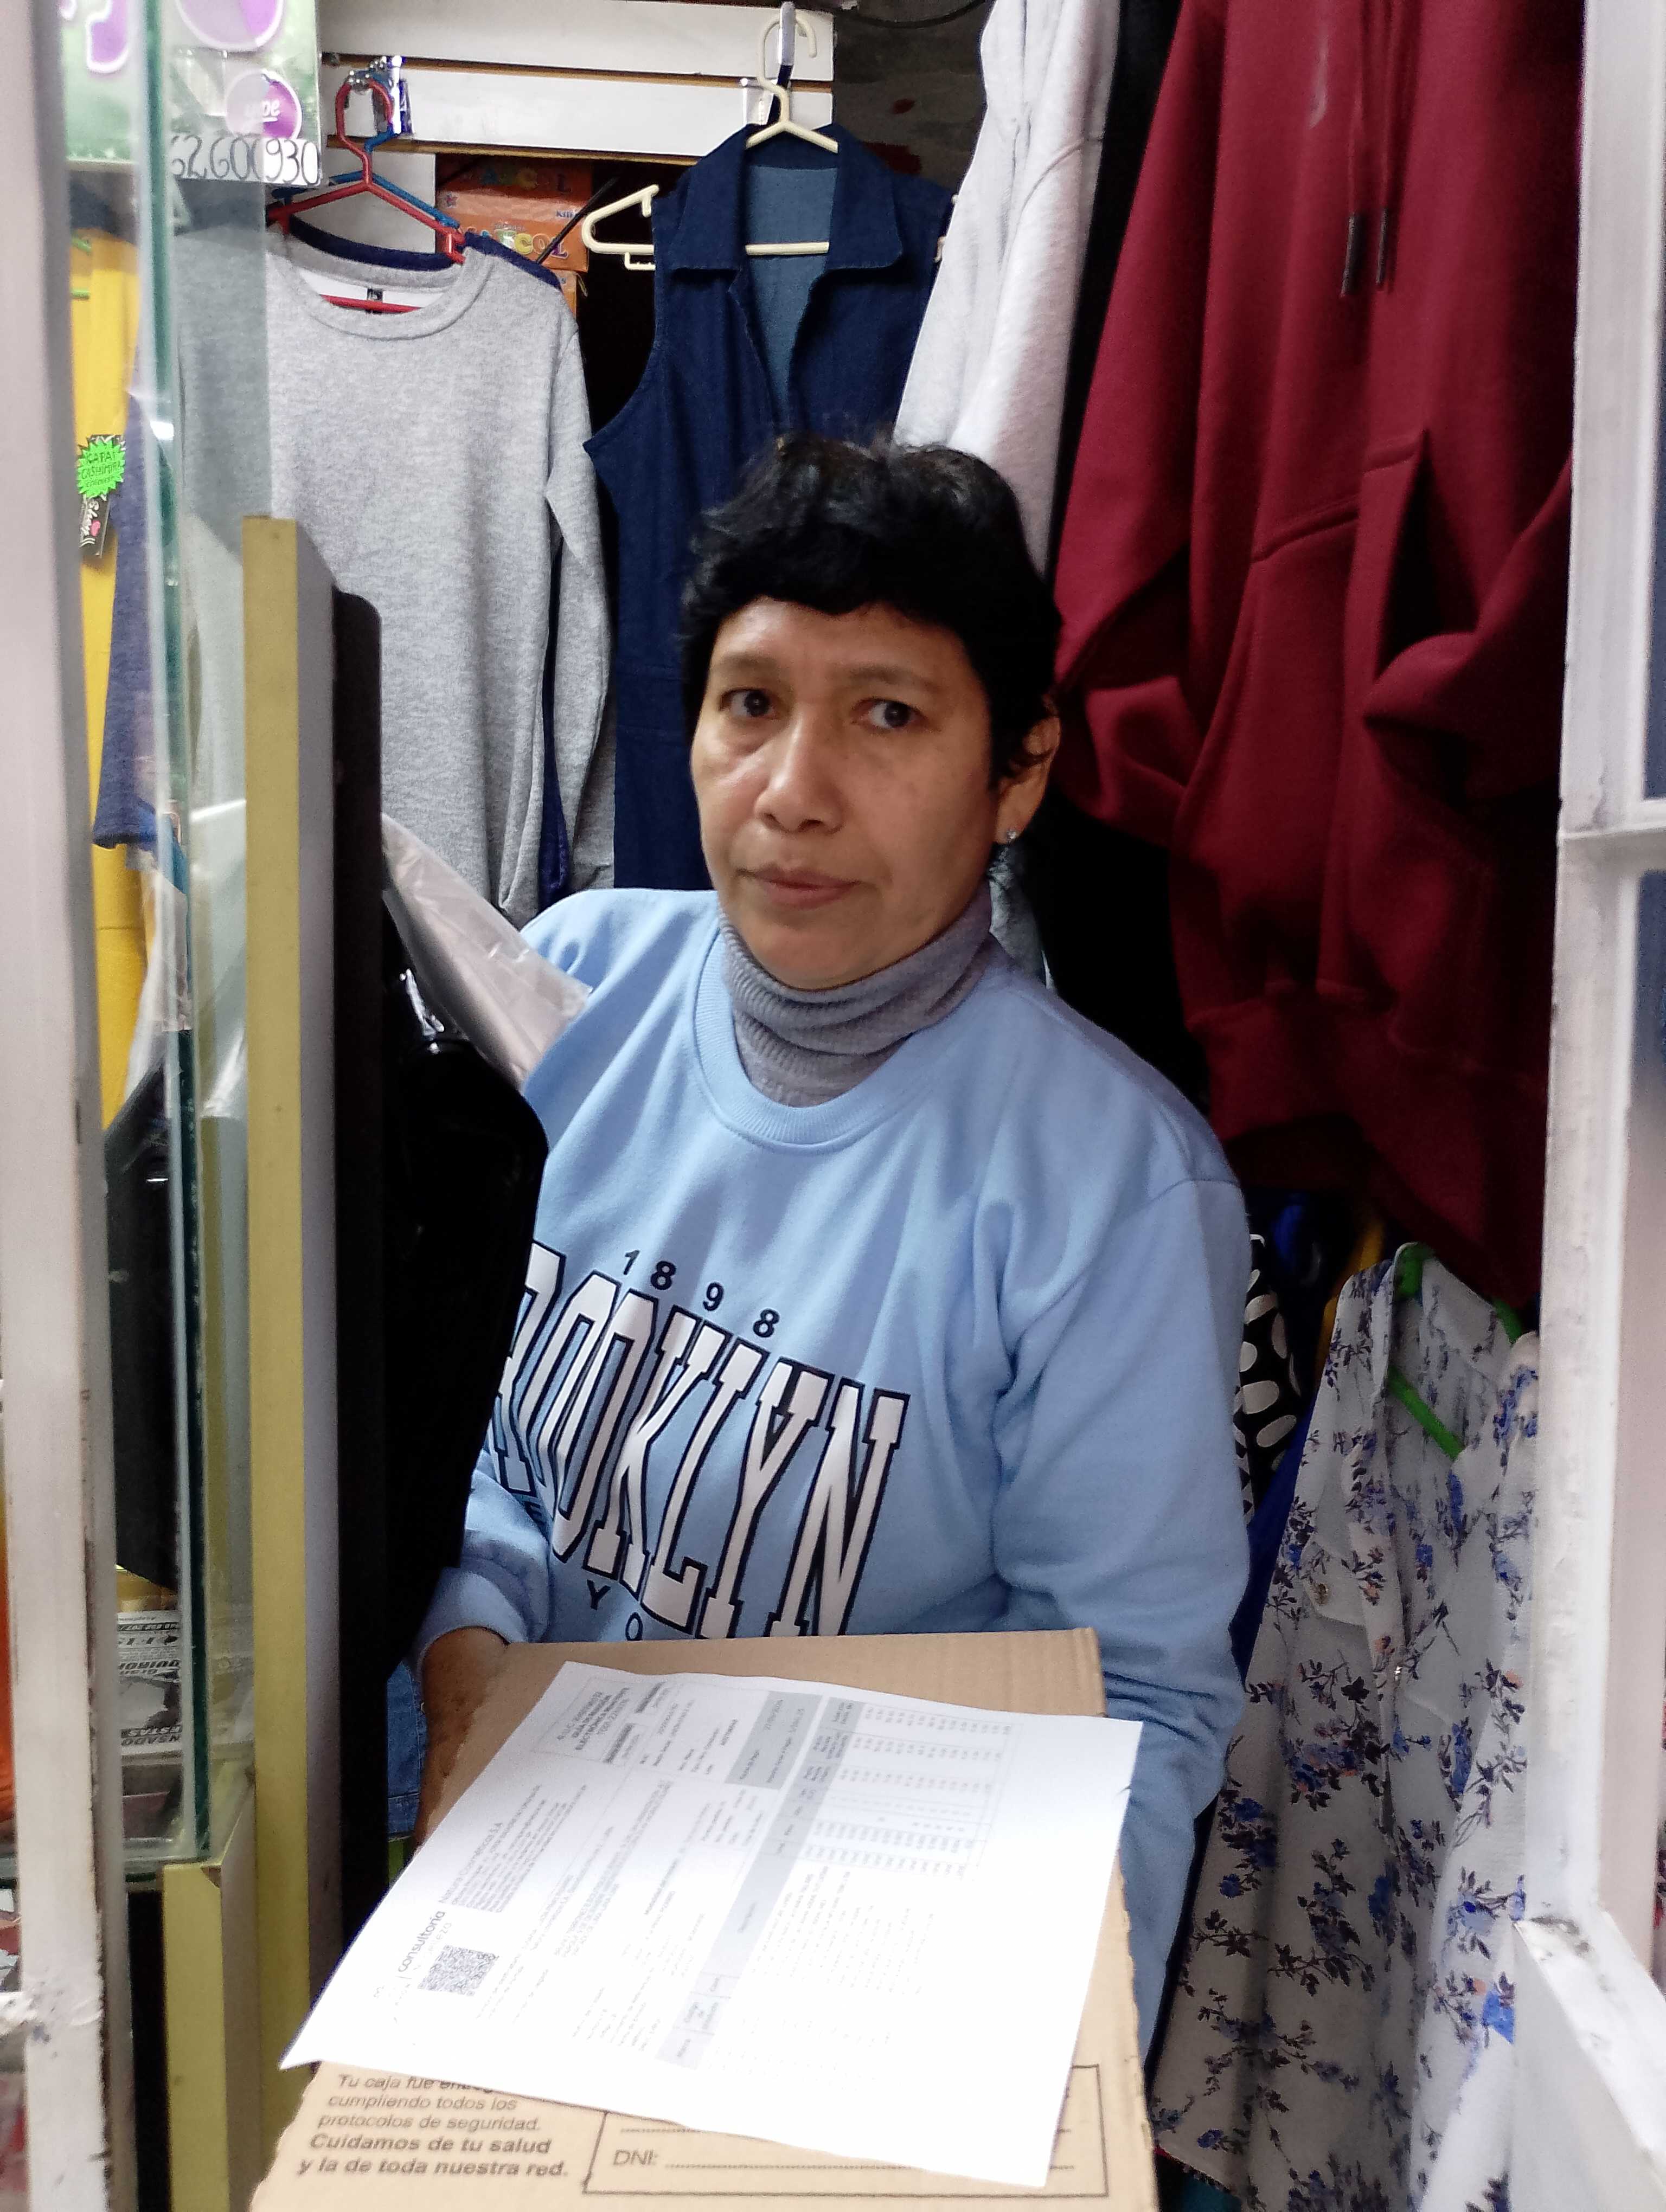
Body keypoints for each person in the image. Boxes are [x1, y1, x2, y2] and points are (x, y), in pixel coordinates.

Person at [414, 434, 1250, 2047]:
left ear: (1019, 772)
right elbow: (471, 1441)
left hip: (864, 1968)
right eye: (750, 703)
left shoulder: (1112, 1189)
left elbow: (1132, 1703)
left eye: (888, 715)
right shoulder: (572, 987)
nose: (793, 793)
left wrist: (1027, 2073)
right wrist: (469, 1652)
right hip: (524, 1888)